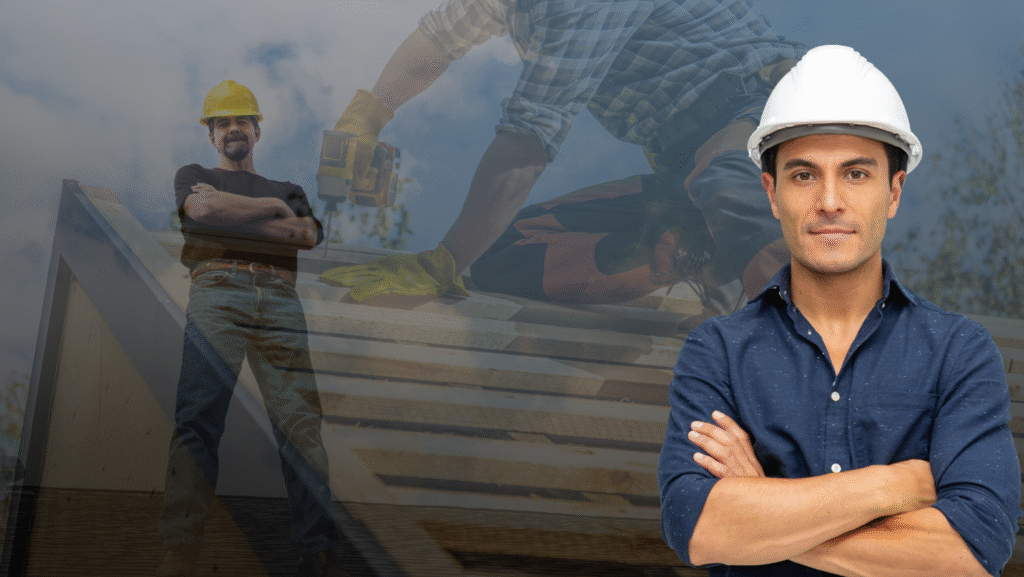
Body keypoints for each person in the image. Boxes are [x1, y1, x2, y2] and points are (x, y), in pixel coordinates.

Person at [657, 45, 1021, 576]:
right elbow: (698, 527)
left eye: (855, 174)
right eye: (804, 175)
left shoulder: (957, 353)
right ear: (772, 193)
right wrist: (895, 485)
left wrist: (760, 506)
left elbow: (971, 551)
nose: (830, 200)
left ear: (893, 192)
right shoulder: (718, 352)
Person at [319, 0, 805, 313]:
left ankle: (823, 348)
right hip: (689, 170)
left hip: (774, 115)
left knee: (726, 183)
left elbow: (529, 136)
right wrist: (369, 114)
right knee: (505, 252)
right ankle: (689, 250)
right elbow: (443, 35)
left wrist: (440, 264)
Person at [156, 80, 344, 577]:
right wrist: (271, 211)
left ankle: (317, 555)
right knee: (199, 413)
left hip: (281, 300)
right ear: (213, 136)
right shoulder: (194, 176)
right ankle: (181, 551)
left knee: (301, 427)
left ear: (257, 131)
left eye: (241, 120)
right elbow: (201, 211)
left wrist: (229, 214)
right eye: (223, 123)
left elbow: (305, 235)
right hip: (218, 292)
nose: (232, 129)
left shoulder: (292, 190)